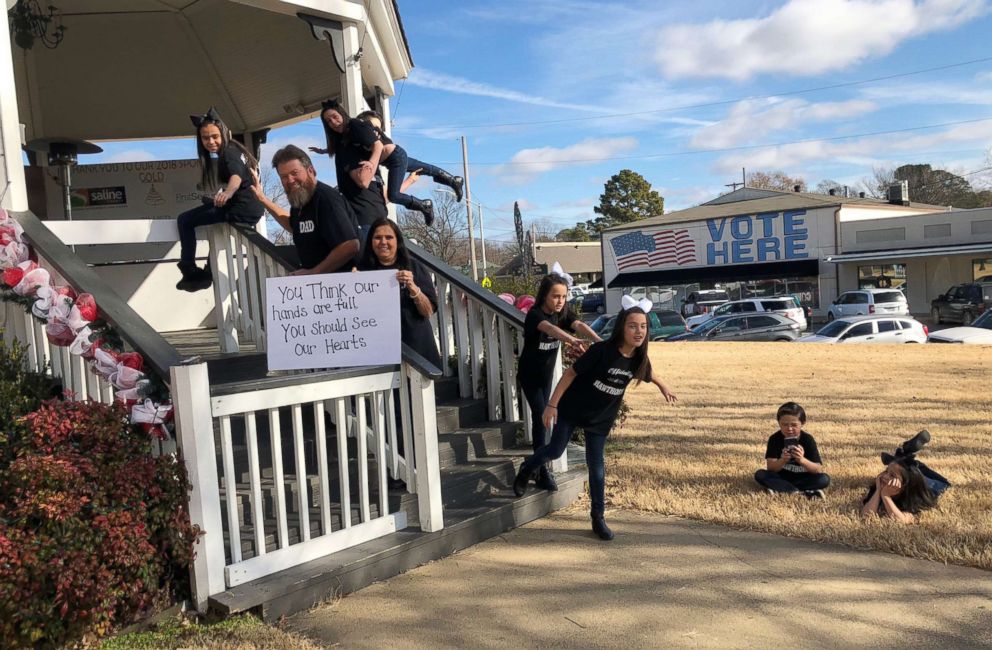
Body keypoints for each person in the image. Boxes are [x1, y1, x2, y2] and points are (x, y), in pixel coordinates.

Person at [513, 296, 678, 541]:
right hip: (573, 408)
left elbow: (648, 373)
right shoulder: (602, 351)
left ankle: (598, 517)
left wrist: (663, 386)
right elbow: (570, 374)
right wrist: (552, 405)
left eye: (643, 326)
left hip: (601, 419)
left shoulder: (638, 359)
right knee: (556, 450)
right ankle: (527, 468)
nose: (638, 331)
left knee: (597, 467)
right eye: (632, 326)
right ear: (622, 326)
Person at [517, 266, 601, 492]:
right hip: (529, 376)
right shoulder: (536, 315)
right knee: (541, 416)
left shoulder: (562, 313)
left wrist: (598, 340)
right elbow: (550, 329)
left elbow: (579, 325)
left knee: (546, 418)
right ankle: (540, 470)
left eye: (563, 296)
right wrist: (572, 341)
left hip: (545, 377)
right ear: (544, 295)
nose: (560, 301)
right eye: (555, 296)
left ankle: (538, 466)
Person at [311, 100, 461, 226]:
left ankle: (424, 205)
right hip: (393, 158)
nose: (333, 123)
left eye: (335, 117)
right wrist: (325, 151)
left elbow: (378, 145)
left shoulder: (354, 126)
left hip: (394, 158)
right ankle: (453, 180)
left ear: (342, 114)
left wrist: (371, 162)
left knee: (394, 195)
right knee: (424, 168)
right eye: (328, 122)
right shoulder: (346, 136)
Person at [176, 107, 264, 291]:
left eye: (215, 136)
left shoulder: (229, 154)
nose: (211, 141)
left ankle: (189, 269)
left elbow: (236, 177)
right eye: (205, 138)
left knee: (184, 220)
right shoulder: (235, 150)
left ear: (224, 133)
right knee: (208, 206)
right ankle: (208, 271)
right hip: (249, 207)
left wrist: (228, 193)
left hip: (241, 209)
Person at [251, 145, 359, 275]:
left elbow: (350, 245)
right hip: (317, 286)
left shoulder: (326, 199)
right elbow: (293, 226)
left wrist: (314, 272)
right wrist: (263, 199)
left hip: (341, 286)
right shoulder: (300, 201)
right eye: (284, 177)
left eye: (295, 173)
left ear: (311, 171)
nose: (290, 180)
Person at [355, 217, 441, 369]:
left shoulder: (413, 267)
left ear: (397, 241)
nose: (383, 242)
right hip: (380, 351)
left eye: (389, 237)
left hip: (416, 349)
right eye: (377, 237)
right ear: (370, 241)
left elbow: (428, 311)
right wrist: (352, 285)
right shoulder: (363, 270)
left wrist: (413, 288)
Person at [861, 429, 950, 524]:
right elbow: (866, 516)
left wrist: (886, 495)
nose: (885, 476)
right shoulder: (880, 485)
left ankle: (904, 455)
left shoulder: (914, 497)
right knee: (902, 464)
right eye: (886, 471)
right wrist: (878, 491)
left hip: (928, 482)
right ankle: (904, 454)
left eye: (892, 475)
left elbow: (902, 521)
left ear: (904, 484)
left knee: (918, 469)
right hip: (906, 472)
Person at [754, 402, 830, 499]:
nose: (789, 429)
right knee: (760, 474)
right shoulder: (774, 439)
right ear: (779, 423)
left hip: (804, 478)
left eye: (794, 425)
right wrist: (782, 460)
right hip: (782, 477)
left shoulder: (807, 439)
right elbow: (771, 468)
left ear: (802, 423)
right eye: (784, 424)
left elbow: (817, 469)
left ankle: (783, 489)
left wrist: (801, 460)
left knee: (824, 479)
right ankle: (802, 492)